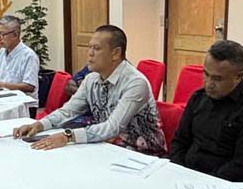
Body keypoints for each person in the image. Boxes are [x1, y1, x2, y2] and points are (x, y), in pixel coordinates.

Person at [13, 25, 166, 156]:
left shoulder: (135, 83)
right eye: (90, 47)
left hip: (143, 155)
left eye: (96, 48)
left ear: (116, 53)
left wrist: (68, 136)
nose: (90, 53)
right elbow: (68, 111)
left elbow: (112, 128)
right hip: (107, 146)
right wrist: (40, 125)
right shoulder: (91, 79)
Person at [169, 40, 243, 182]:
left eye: (217, 79)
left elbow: (242, 167)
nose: (209, 83)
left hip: (220, 184)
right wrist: (179, 172)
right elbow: (179, 142)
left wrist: (203, 182)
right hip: (185, 175)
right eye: (206, 74)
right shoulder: (198, 98)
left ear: (237, 77)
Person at [0, 15, 40, 100]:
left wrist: (0, 84)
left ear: (15, 35)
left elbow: (29, 86)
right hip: (3, 99)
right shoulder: (1, 52)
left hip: (23, 103)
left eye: (2, 34)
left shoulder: (29, 56)